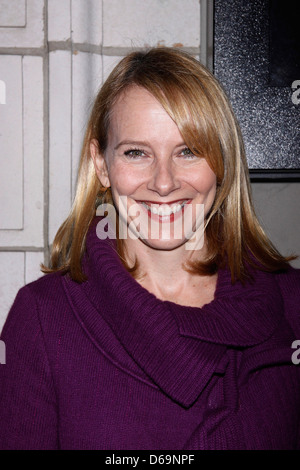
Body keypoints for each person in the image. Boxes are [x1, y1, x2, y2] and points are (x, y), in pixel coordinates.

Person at [0, 47, 300, 450]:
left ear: (223, 162)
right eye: (136, 153)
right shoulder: (41, 319)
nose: (163, 182)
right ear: (102, 164)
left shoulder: (293, 302)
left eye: (188, 151)